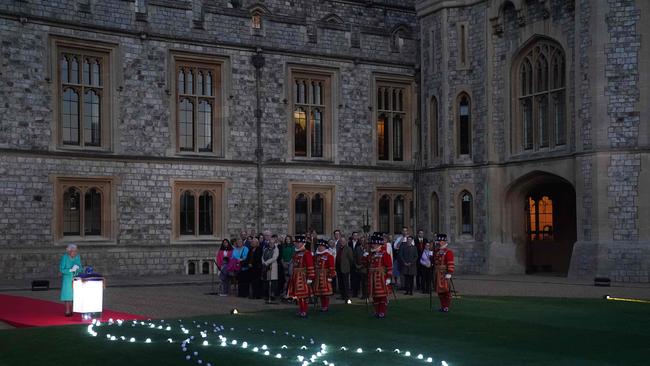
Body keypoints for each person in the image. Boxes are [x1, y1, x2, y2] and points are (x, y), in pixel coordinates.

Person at [287, 235, 315, 317]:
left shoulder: (307, 253)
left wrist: (310, 277)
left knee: (304, 295)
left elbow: (310, 265)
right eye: (296, 243)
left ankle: (304, 310)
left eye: (299, 243)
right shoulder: (296, 253)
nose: (297, 244)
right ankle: (300, 309)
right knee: (298, 295)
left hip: (303, 276)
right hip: (296, 276)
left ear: (303, 243)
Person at [367, 233, 393, 318]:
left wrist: (388, 278)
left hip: (381, 277)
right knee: (375, 296)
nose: (372, 246)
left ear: (378, 244)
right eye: (372, 244)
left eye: (374, 244)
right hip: (373, 277)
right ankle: (377, 311)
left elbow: (389, 266)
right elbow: (366, 264)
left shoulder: (384, 253)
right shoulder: (372, 254)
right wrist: (365, 257)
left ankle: (382, 311)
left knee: (382, 296)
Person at [433, 234, 455, 312]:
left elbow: (450, 262)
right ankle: (442, 305)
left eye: (440, 241)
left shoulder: (448, 252)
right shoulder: (437, 251)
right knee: (440, 291)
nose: (439, 243)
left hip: (444, 273)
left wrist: (450, 272)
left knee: (446, 291)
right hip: (438, 273)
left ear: (444, 241)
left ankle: (446, 306)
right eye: (438, 241)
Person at [59, 244, 83, 316]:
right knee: (67, 296)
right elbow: (61, 269)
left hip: (75, 278)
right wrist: (70, 270)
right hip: (67, 279)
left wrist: (77, 268)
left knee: (74, 295)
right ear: (69, 251)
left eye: (76, 251)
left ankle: (73, 310)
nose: (75, 253)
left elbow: (81, 268)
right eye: (73, 251)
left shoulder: (77, 257)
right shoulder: (65, 257)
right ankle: (67, 311)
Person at [313, 239, 336, 311]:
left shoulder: (329, 256)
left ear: (325, 247)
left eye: (321, 246)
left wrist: (330, 276)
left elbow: (331, 267)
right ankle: (322, 305)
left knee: (325, 292)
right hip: (318, 275)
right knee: (320, 292)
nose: (319, 247)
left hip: (325, 276)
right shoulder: (316, 256)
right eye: (319, 246)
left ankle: (326, 305)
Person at [335, 235, 354, 302]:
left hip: (345, 268)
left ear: (345, 242)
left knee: (346, 283)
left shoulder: (348, 249)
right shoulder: (339, 248)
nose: (342, 242)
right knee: (340, 283)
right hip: (339, 268)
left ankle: (347, 296)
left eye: (343, 241)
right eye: (341, 241)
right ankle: (342, 295)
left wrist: (348, 266)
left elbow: (351, 259)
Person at [262, 235, 279, 302]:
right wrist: (263, 262)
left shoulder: (276, 249)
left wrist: (267, 262)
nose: (271, 244)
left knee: (273, 281)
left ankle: (272, 295)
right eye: (270, 243)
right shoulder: (266, 249)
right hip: (266, 267)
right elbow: (262, 256)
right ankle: (267, 295)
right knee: (267, 281)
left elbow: (274, 258)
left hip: (273, 266)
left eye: (272, 243)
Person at [353, 235, 369, 299]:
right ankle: (360, 294)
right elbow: (354, 258)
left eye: (364, 241)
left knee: (365, 283)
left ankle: (366, 295)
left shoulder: (368, 248)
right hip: (359, 268)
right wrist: (357, 265)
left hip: (366, 268)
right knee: (359, 282)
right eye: (361, 241)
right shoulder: (357, 248)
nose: (363, 242)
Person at [280, 235, 294, 300]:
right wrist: (283, 263)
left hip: (290, 264)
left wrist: (289, 263)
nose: (287, 240)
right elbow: (282, 256)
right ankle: (285, 293)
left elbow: (293, 256)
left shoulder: (292, 247)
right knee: (286, 280)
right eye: (286, 239)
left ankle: (291, 294)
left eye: (289, 239)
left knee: (290, 279)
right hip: (285, 264)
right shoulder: (284, 247)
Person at [348, 232, 361, 298]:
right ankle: (353, 291)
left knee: (357, 278)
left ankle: (357, 291)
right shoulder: (349, 243)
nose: (355, 236)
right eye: (354, 235)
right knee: (352, 277)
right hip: (351, 262)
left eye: (356, 235)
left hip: (357, 263)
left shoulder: (360, 243)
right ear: (352, 236)